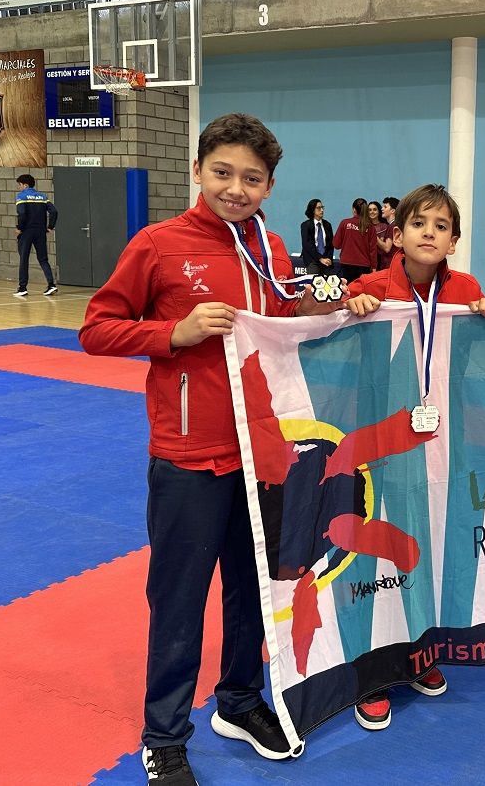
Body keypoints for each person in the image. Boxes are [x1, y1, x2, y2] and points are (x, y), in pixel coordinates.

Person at [79, 113, 343, 786]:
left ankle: (238, 700)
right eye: (223, 172)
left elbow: (276, 328)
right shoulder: (159, 245)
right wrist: (174, 331)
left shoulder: (273, 248)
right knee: (179, 599)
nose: (236, 188)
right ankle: (164, 735)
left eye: (251, 178)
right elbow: (97, 329)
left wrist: (322, 312)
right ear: (198, 170)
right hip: (189, 455)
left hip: (263, 451)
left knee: (254, 591)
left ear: (270, 185)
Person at [344, 183, 485, 730]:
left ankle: (420, 652)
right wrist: (352, 305)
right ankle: (374, 670)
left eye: (440, 226)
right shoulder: (371, 285)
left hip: (444, 443)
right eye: (418, 224)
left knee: (433, 543)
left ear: (453, 240)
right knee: (382, 547)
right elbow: (331, 328)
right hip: (384, 443)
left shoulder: (466, 289)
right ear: (397, 235)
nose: (429, 233)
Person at [14, 173, 58, 297]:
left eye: (20, 185)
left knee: (24, 259)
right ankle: (51, 285)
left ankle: (22, 288)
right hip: (40, 231)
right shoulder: (43, 196)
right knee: (43, 259)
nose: (19, 187)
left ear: (25, 185)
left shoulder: (21, 196)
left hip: (27, 231)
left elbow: (22, 214)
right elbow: (54, 211)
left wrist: (19, 228)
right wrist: (50, 226)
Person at [333, 197, 377, 282]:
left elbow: (336, 244)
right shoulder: (370, 227)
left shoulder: (345, 223)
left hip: (346, 264)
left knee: (346, 292)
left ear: (354, 209)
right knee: (360, 293)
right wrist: (374, 267)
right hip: (364, 266)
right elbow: (373, 250)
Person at [299, 198, 334, 274]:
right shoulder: (305, 225)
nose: (322, 210)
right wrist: (320, 258)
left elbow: (331, 244)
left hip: (326, 261)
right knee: (314, 284)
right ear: (312, 210)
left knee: (326, 285)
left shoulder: (327, 225)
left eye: (322, 207)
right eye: (318, 208)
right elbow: (307, 245)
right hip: (312, 260)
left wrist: (329, 258)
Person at [369, 200, 395, 271]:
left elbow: (386, 248)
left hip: (384, 262)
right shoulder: (391, 225)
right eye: (369, 210)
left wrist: (372, 234)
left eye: (385, 207)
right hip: (368, 261)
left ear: (392, 211)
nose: (382, 209)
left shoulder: (388, 226)